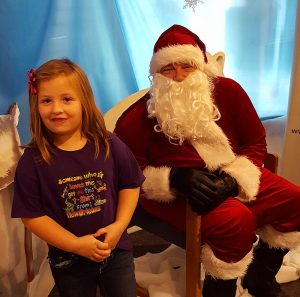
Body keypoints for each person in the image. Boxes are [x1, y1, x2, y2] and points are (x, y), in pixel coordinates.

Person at [114, 25, 300, 297]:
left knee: (294, 200)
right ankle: (219, 291)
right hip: (180, 193)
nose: (178, 76)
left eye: (186, 66)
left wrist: (234, 180)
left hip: (233, 174)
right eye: (168, 69)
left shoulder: (229, 91)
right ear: (156, 74)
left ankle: (260, 277)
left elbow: (255, 141)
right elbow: (129, 173)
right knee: (235, 221)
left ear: (199, 66)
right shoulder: (134, 118)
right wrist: (173, 179)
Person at [11, 58, 145, 297]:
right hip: (69, 260)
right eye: (46, 101)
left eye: (67, 99)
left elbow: (130, 185)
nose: (56, 109)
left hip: (115, 251)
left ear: (84, 101)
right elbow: (31, 217)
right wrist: (75, 244)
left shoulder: (108, 144)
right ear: (36, 105)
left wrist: (119, 225)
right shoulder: (32, 161)